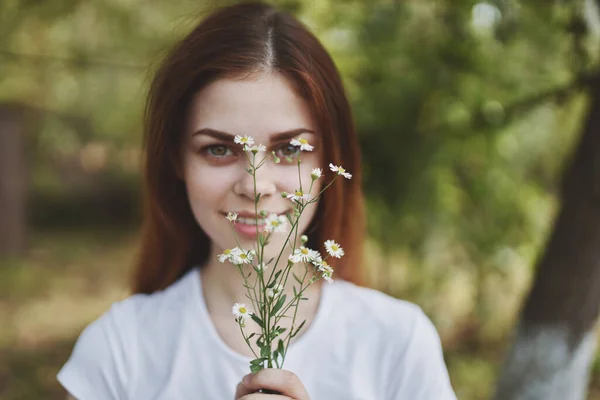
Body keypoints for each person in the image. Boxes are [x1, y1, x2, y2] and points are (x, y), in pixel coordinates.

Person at [57, 2, 457, 399]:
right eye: (218, 150)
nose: (255, 185)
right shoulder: (118, 352)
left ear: (331, 159)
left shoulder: (397, 343)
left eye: (289, 149)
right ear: (177, 160)